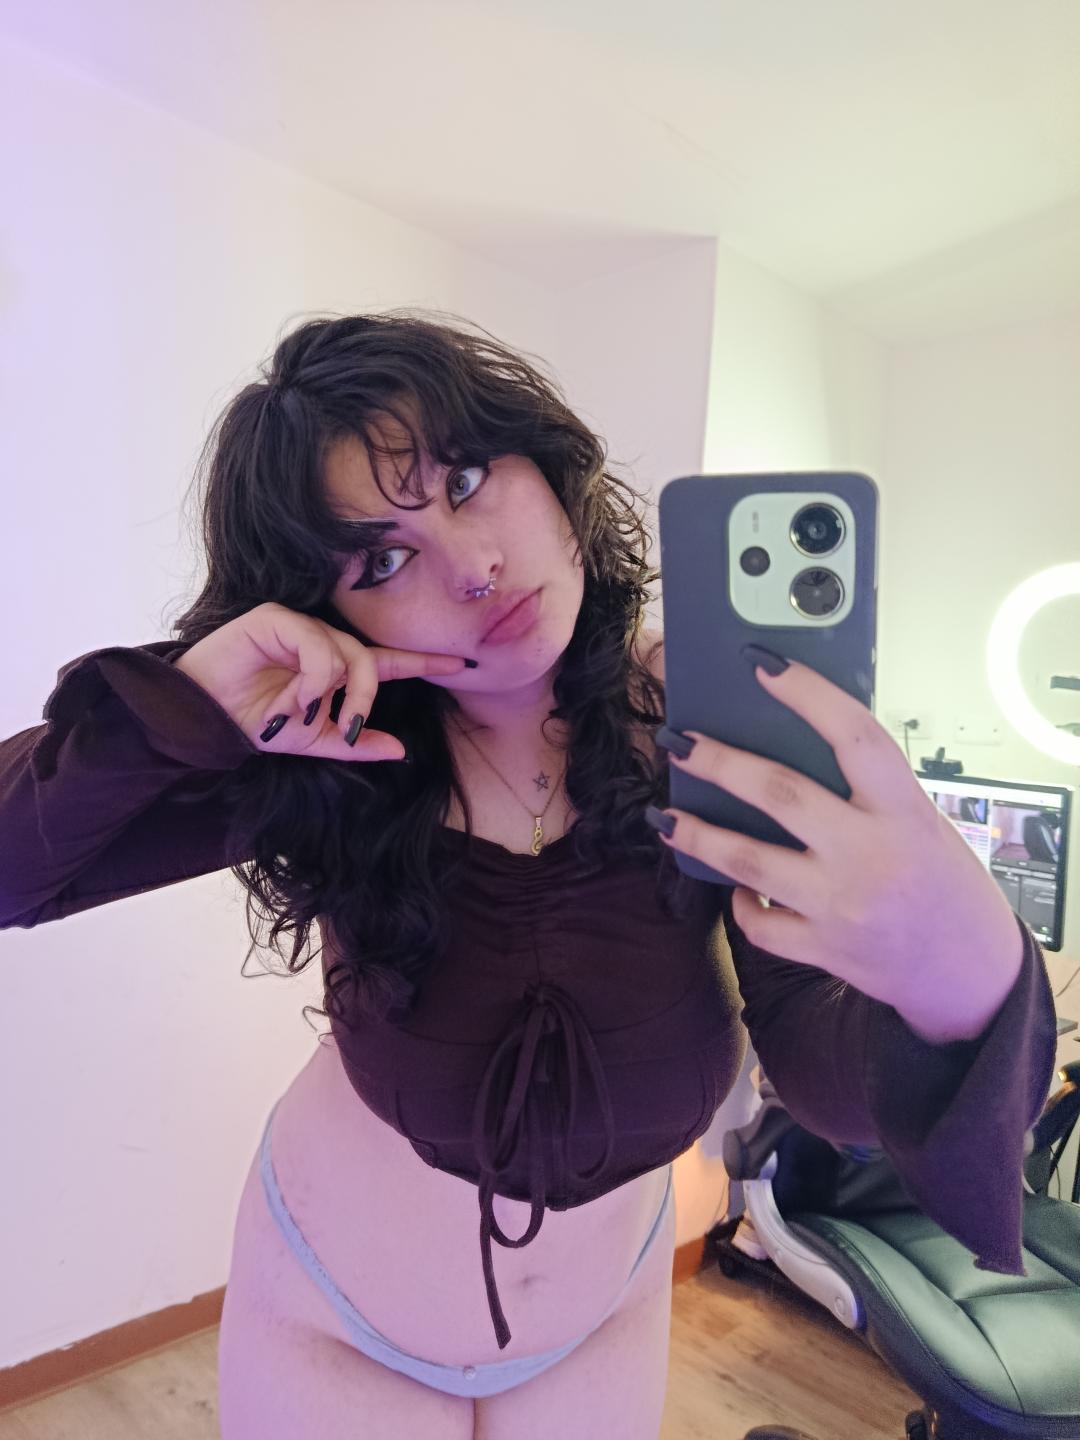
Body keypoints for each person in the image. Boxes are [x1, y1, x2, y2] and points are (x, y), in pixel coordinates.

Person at [1, 309, 1058, 1439]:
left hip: (603, 1315)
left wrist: (961, 976)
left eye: (465, 480)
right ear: (325, 608)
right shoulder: (324, 750)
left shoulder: (701, 737)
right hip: (334, 1311)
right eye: (381, 559)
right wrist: (188, 711)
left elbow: (823, 1079)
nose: (474, 569)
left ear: (544, 464)